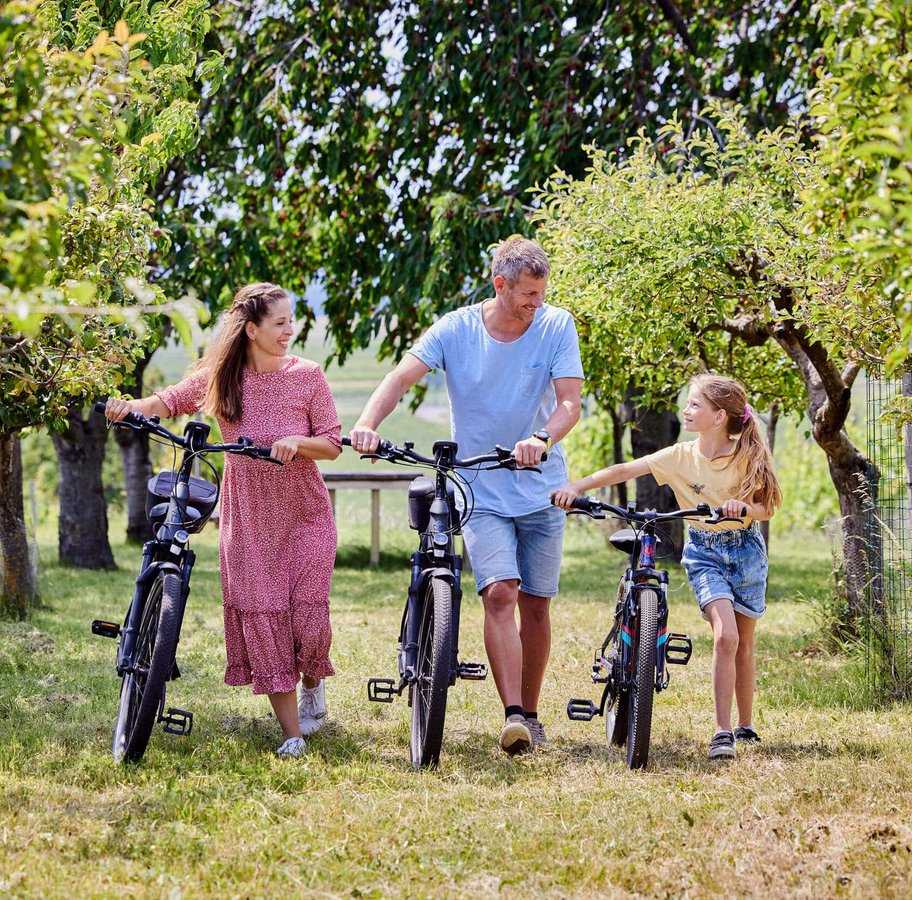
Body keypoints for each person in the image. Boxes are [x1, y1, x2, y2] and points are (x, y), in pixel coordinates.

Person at [349, 236, 583, 755]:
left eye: (541, 292)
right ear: (500, 284)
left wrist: (541, 438)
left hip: (541, 485)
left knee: (536, 605)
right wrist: (367, 423)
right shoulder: (456, 328)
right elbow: (401, 377)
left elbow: (570, 402)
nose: (537, 303)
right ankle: (513, 716)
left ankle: (532, 712)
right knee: (499, 593)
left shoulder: (556, 324)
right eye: (528, 294)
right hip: (479, 488)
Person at [105, 283, 342, 759]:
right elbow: (168, 401)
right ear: (251, 329)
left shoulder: (308, 376)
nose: (289, 331)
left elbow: (332, 444)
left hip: (305, 513)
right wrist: (130, 407)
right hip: (249, 518)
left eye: (291, 321)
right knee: (266, 614)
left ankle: (313, 684)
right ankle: (292, 734)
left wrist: (297, 441)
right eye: (279, 323)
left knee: (309, 618)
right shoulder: (222, 376)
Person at [550, 374, 782, 760]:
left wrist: (745, 509)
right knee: (725, 637)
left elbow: (768, 507)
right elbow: (625, 470)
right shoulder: (680, 456)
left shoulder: (746, 455)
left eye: (694, 405)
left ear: (719, 416)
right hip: (705, 553)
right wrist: (576, 487)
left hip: (746, 552)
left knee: (743, 642)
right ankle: (722, 731)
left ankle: (745, 724)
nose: (685, 410)